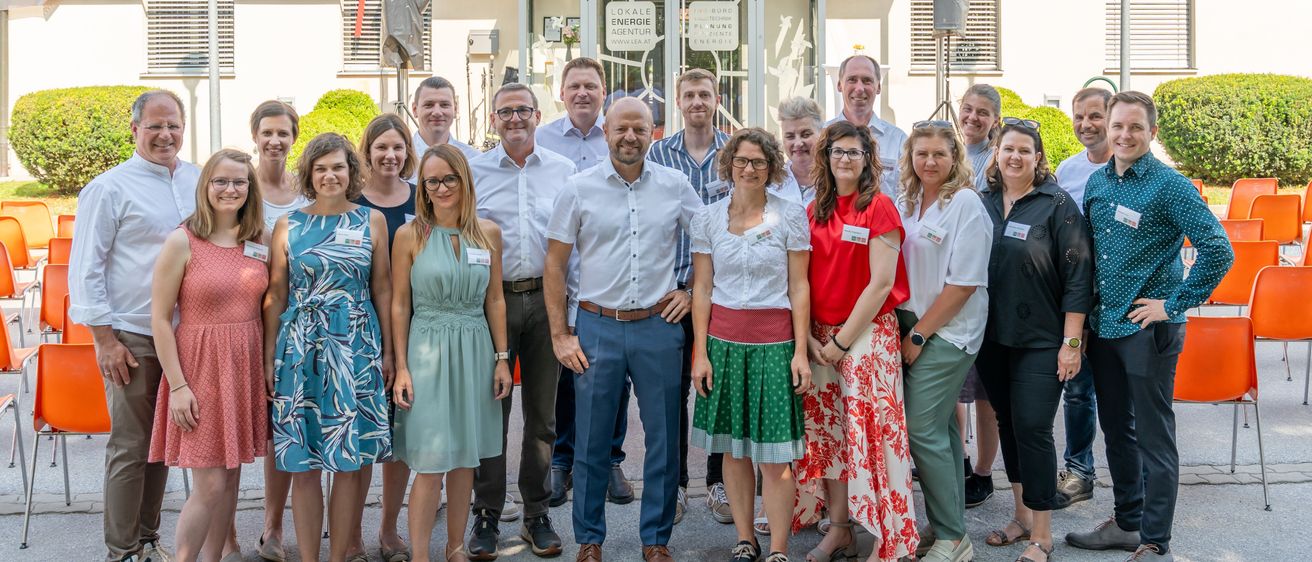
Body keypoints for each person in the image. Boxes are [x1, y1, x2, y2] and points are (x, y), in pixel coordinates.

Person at [1067, 92, 1233, 562]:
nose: (1125, 135)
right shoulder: (1098, 182)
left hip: (1148, 330)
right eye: (1118, 125)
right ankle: (1127, 523)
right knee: (1117, 431)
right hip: (1105, 327)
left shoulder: (1170, 186)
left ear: (1152, 132)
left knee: (1154, 437)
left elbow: (1218, 250)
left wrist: (1173, 303)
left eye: (1135, 127)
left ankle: (1156, 540)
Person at [545, 98, 701, 562]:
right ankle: (590, 539)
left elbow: (710, 242)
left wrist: (691, 290)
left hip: (658, 325)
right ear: (606, 132)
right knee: (591, 440)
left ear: (653, 133)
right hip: (597, 326)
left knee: (664, 440)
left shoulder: (675, 185)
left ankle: (655, 539)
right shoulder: (578, 188)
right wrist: (561, 334)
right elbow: (554, 265)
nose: (630, 137)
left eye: (639, 128)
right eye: (621, 129)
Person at [69, 89, 198, 562]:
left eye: (173, 125)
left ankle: (146, 537)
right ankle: (121, 551)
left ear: (183, 128)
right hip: (132, 335)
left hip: (186, 336)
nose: (165, 135)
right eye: (155, 126)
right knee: (131, 446)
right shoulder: (108, 188)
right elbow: (86, 269)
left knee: (162, 444)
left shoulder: (198, 180)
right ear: (135, 130)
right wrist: (104, 340)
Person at [264, 133, 394, 562]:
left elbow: (383, 289)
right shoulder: (288, 225)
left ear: (351, 171)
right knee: (304, 465)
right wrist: (270, 358)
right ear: (309, 174)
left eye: (337, 167)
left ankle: (338, 556)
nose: (329, 175)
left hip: (356, 347)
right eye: (320, 168)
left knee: (349, 463)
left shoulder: (371, 221)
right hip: (300, 350)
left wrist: (389, 353)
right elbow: (276, 295)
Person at [689, 128, 812, 562]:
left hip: (775, 344)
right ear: (729, 164)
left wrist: (800, 351)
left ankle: (778, 547)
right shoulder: (707, 218)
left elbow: (799, 287)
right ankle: (745, 539)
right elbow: (702, 290)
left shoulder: (790, 215)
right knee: (734, 450)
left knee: (776, 458)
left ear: (771, 167)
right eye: (741, 160)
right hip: (723, 345)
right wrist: (700, 353)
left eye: (759, 161)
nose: (749, 169)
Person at [797, 120, 916, 562]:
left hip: (866, 334)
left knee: (873, 436)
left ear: (868, 160)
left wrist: (843, 341)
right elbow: (803, 278)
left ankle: (893, 538)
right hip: (820, 336)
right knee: (829, 437)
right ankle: (840, 529)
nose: (845, 159)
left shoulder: (879, 207)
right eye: (837, 151)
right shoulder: (815, 210)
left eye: (854, 152)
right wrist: (810, 339)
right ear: (825, 157)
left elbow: (881, 284)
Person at [975, 119, 1093, 562]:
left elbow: (1079, 275)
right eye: (1008, 148)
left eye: (1025, 150)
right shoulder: (982, 201)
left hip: (1042, 339)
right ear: (997, 153)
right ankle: (1022, 515)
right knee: (1008, 423)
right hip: (991, 337)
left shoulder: (1056, 203)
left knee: (1033, 428)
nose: (1015, 157)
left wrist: (1072, 342)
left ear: (1037, 157)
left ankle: (1042, 534)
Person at [466, 82, 576, 559]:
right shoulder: (474, 172)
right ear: (493, 119)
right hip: (492, 302)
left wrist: (570, 312)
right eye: (505, 111)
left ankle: (536, 512)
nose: (515, 119)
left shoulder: (563, 170)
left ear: (537, 115)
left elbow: (575, 241)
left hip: (547, 302)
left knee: (542, 417)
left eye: (523, 111)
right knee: (491, 411)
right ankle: (487, 512)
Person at [391, 144, 513, 562]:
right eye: (432, 182)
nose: (441, 188)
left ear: (464, 180)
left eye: (449, 179)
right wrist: (402, 367)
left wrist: (502, 359)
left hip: (475, 348)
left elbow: (495, 299)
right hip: (427, 349)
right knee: (429, 463)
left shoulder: (488, 233)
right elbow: (399, 304)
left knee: (465, 459)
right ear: (423, 188)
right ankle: (420, 556)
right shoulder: (409, 236)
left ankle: (456, 547)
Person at [147, 149, 269, 562]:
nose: (230, 189)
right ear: (206, 187)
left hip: (243, 366)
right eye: (221, 181)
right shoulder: (182, 240)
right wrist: (178, 386)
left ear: (250, 188)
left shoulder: (259, 240)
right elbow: (160, 319)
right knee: (211, 485)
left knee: (231, 478)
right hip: (199, 370)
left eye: (239, 181)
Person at [535, 57, 636, 511]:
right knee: (564, 375)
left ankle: (611, 459)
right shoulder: (542, 140)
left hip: (605, 277)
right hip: (561, 273)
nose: (582, 93)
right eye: (574, 85)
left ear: (603, 92)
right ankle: (563, 461)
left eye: (590, 86)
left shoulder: (619, 136)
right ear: (562, 93)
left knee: (614, 379)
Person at [894, 122, 992, 562]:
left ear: (955, 158)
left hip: (948, 329)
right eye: (922, 153)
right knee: (942, 428)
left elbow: (964, 283)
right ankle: (945, 523)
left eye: (939, 153)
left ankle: (954, 539)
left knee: (920, 427)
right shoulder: (908, 201)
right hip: (911, 322)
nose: (929, 161)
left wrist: (919, 334)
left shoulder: (966, 203)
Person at [646, 67, 732, 524]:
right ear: (677, 102)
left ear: (717, 99)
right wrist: (679, 289)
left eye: (705, 94)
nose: (697, 101)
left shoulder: (735, 153)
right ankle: (676, 485)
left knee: (718, 393)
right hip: (672, 297)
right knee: (672, 394)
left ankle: (718, 482)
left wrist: (702, 288)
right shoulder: (657, 153)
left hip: (724, 293)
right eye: (689, 95)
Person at [353, 112, 419, 561]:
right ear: (368, 152)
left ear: (407, 152)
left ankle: (389, 528)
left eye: (398, 147)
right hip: (362, 330)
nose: (390, 155)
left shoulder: (422, 198)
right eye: (382, 147)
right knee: (359, 437)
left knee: (401, 436)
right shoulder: (352, 201)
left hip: (416, 327)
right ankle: (351, 532)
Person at [243, 100, 305, 562]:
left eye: (283, 133)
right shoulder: (240, 185)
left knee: (282, 428)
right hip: (244, 311)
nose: (275, 141)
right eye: (267, 132)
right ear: (255, 136)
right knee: (243, 429)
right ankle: (229, 536)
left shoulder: (305, 188)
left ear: (294, 138)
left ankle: (275, 526)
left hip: (294, 315)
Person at [1052, 87, 1114, 504]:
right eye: (1079, 116)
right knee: (1077, 391)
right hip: (1077, 295)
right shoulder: (1068, 169)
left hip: (1119, 301)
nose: (1086, 124)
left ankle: (1136, 484)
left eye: (1095, 116)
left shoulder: (1126, 167)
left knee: (1119, 397)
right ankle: (1079, 472)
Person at [955, 84, 1004, 509]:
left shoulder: (999, 160)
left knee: (987, 395)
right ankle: (959, 462)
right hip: (950, 287)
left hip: (990, 287)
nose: (973, 117)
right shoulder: (949, 152)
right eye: (968, 109)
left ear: (995, 120)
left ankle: (984, 473)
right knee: (954, 390)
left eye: (982, 112)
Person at [827, 55, 908, 198]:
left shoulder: (898, 141)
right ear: (839, 85)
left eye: (867, 81)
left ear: (878, 87)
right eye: (852, 79)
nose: (859, 88)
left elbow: (908, 195)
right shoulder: (822, 135)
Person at [411, 76, 482, 168]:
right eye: (429, 105)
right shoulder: (401, 158)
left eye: (444, 105)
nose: (437, 112)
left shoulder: (475, 160)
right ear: (415, 110)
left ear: (455, 109)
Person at [777, 96, 822, 205]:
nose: (798, 143)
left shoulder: (837, 181)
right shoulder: (772, 184)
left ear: (821, 135)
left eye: (805, 134)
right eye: (790, 136)